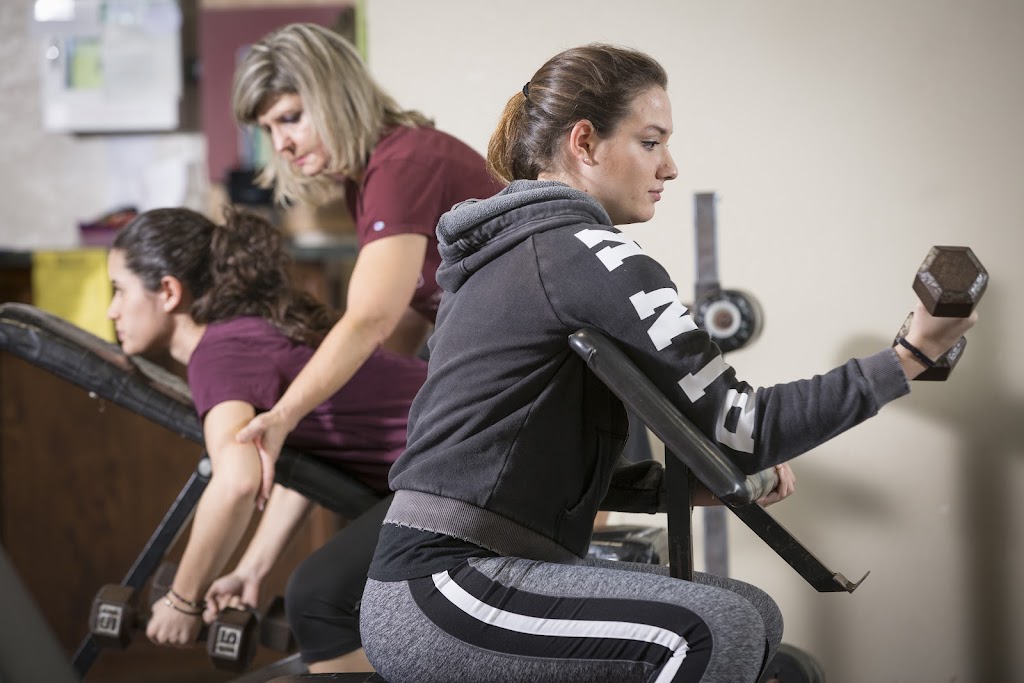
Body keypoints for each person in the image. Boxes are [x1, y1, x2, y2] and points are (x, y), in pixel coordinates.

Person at [357, 44, 978, 683]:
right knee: (714, 631)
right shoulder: (583, 251)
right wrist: (910, 357)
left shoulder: (521, 251)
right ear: (585, 143)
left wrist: (670, 487)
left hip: (456, 571)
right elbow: (741, 426)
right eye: (652, 142)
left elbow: (510, 453)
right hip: (447, 584)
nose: (671, 167)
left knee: (751, 612)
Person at [105, 207, 426, 672]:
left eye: (119, 290)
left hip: (468, 461)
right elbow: (307, 466)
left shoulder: (218, 355)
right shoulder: (242, 336)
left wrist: (183, 599)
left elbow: (236, 481)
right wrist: (251, 569)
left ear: (169, 291)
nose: (111, 309)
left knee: (317, 601)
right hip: (458, 454)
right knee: (322, 597)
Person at [229, 22, 503, 505]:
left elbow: (372, 318)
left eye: (290, 118)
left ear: (336, 96)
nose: (281, 146)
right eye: (268, 129)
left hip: (548, 381)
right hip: (499, 368)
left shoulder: (401, 165)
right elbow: (397, 323)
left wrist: (284, 414)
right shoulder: (370, 177)